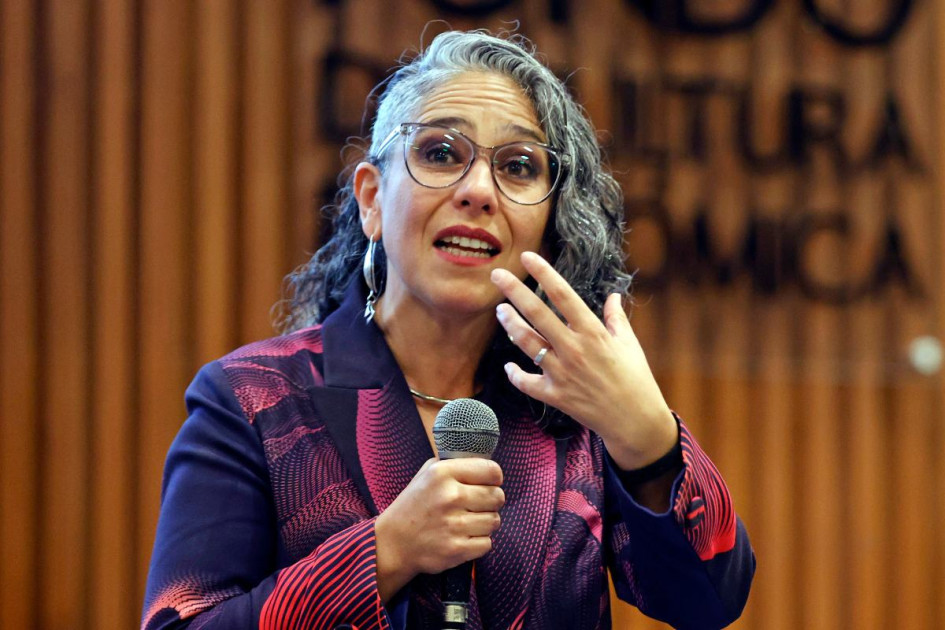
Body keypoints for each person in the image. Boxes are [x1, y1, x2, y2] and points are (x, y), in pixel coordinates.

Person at [141, 29, 755, 630]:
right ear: (372, 200)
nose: (479, 192)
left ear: (549, 219)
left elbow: (706, 605)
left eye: (518, 167)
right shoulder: (253, 399)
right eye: (440, 153)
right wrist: (386, 553)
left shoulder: (578, 404)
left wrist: (647, 435)